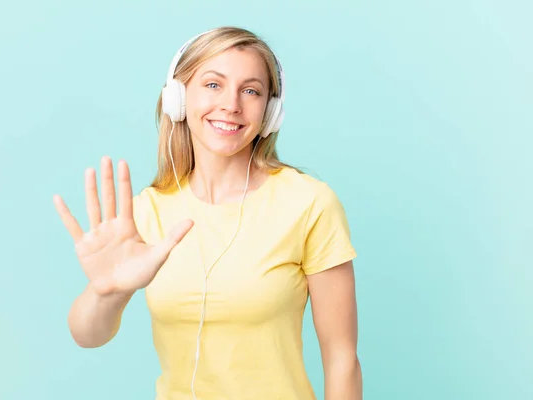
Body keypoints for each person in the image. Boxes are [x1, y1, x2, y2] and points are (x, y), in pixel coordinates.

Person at [53, 26, 362, 400]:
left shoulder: (308, 203)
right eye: (213, 84)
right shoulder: (146, 211)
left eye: (251, 90)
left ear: (270, 112)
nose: (231, 104)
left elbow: (341, 360)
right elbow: (88, 336)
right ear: (177, 99)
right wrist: (107, 292)